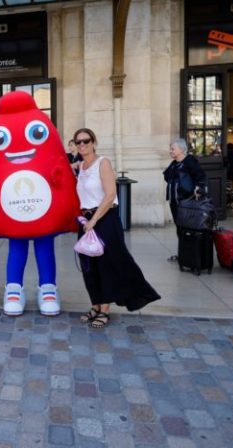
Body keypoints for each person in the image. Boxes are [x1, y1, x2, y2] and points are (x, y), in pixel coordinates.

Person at [74, 128, 160, 328]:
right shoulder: (81, 166)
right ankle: (95, 305)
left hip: (104, 220)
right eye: (78, 142)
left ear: (94, 142)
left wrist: (94, 220)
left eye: (86, 141)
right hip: (86, 221)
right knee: (89, 267)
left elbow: (110, 194)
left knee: (107, 265)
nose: (82, 145)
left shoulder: (102, 163)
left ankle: (104, 309)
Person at [163, 138, 207, 261]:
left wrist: (198, 187)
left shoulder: (190, 161)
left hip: (187, 202)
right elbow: (167, 177)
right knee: (179, 228)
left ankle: (191, 255)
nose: (170, 151)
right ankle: (183, 254)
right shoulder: (174, 163)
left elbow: (201, 176)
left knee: (188, 228)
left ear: (181, 149)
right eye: (170, 149)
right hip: (174, 202)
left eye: (173, 149)